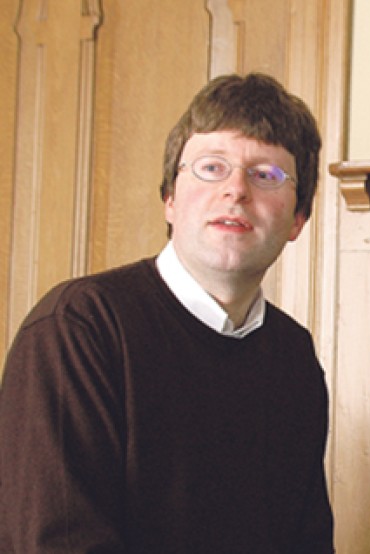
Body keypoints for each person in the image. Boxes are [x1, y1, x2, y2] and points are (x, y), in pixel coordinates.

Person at [0, 73, 334, 553]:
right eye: (212, 167)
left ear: (298, 218)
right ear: (170, 200)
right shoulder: (77, 329)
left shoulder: (294, 357)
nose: (236, 190)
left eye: (266, 175)